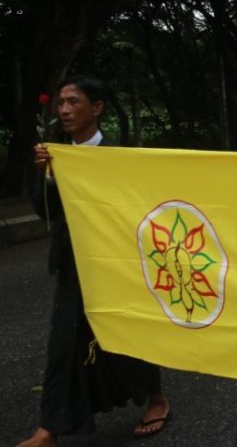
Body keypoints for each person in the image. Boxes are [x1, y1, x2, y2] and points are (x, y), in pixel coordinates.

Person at [21, 77, 170, 447]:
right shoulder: (54, 154)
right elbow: (45, 213)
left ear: (97, 108)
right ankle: (48, 428)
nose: (65, 110)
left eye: (74, 102)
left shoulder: (117, 157)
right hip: (74, 263)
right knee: (63, 342)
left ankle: (156, 398)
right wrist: (47, 176)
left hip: (116, 263)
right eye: (61, 104)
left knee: (131, 331)